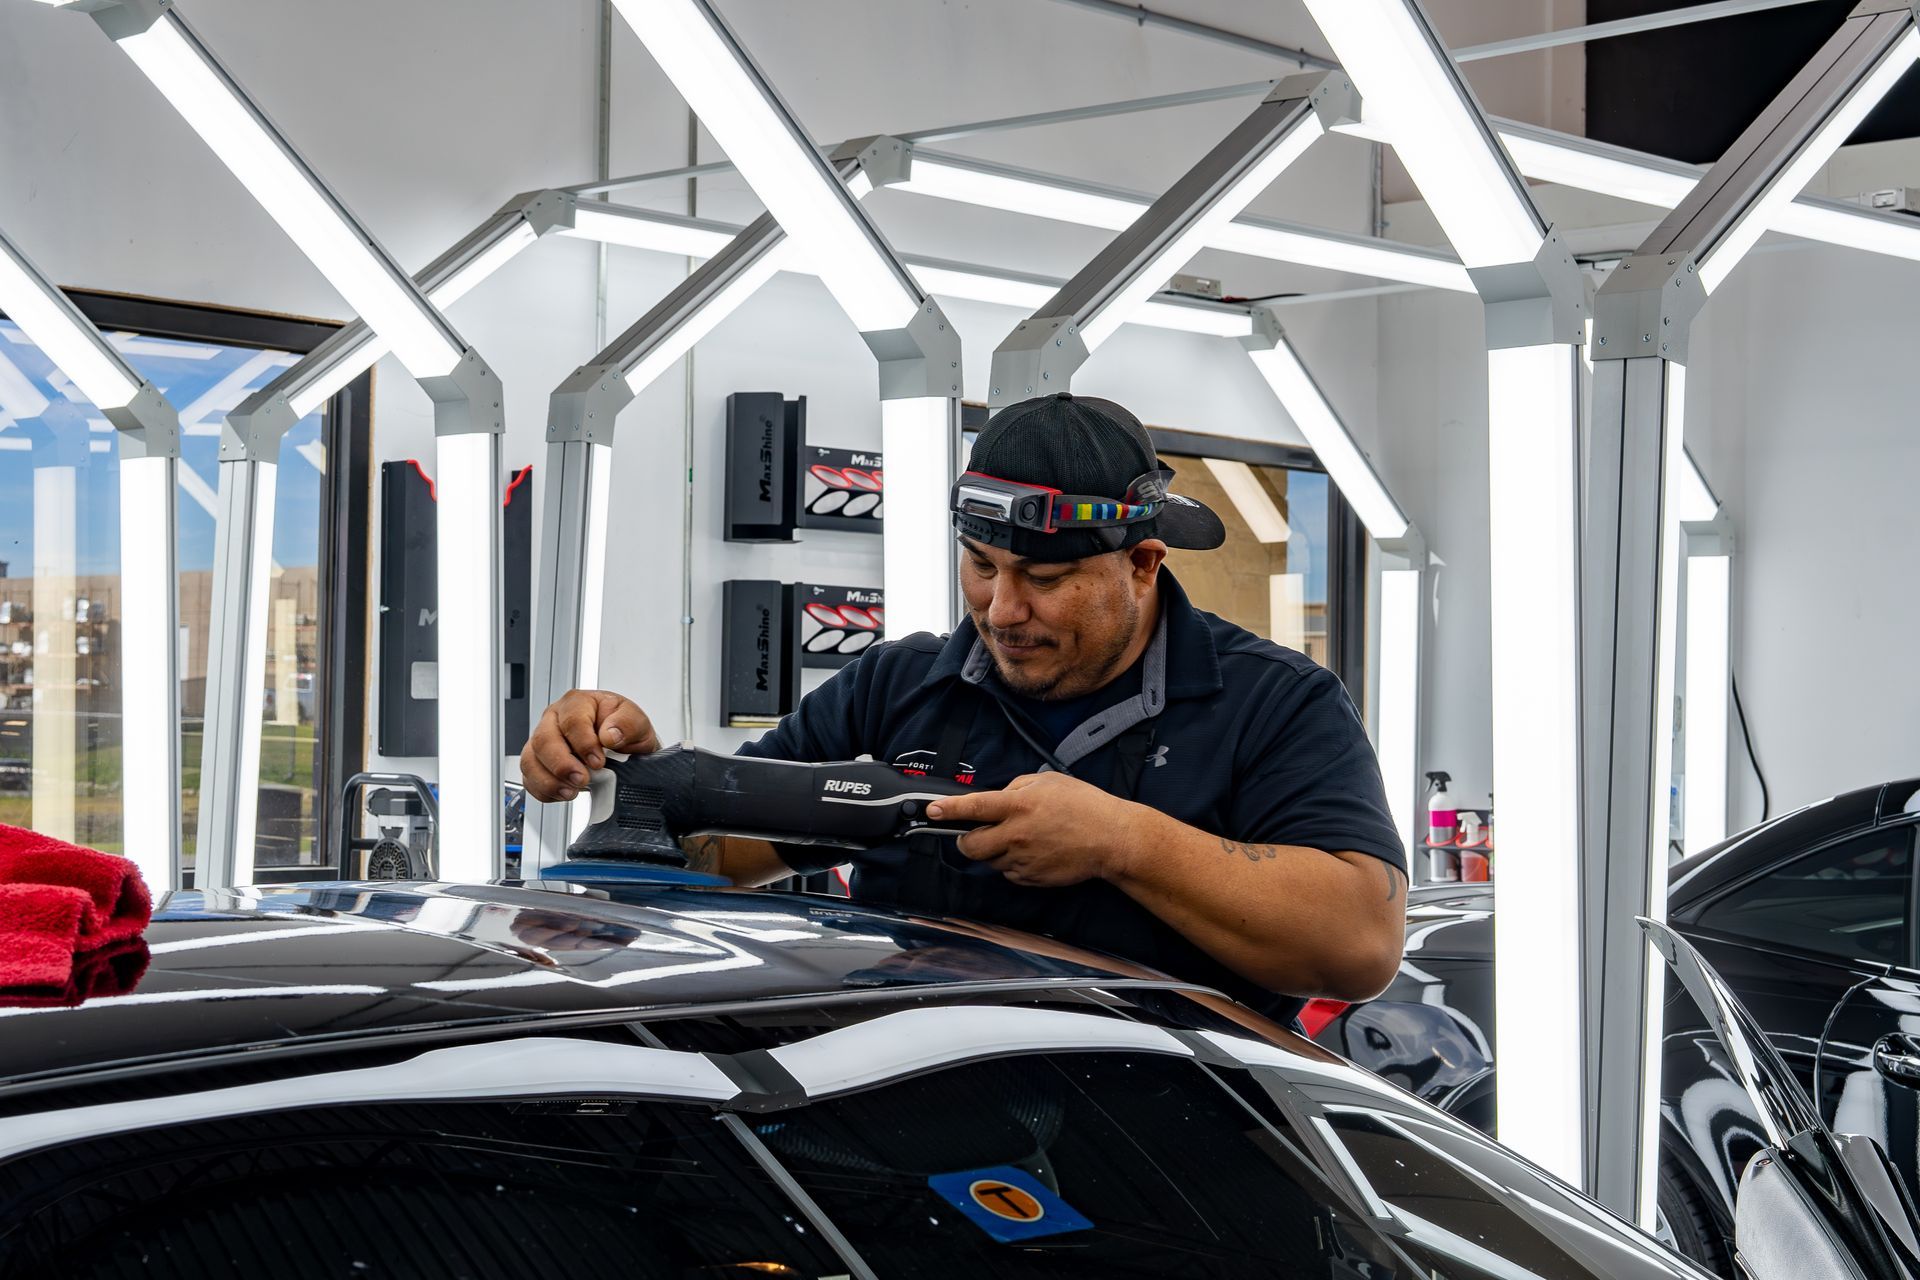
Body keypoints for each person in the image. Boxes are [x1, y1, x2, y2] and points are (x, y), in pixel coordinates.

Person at [522, 393, 1407, 1023]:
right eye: (982, 565)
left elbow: (1358, 945)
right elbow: (717, 856)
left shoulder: (1275, 704)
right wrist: (641, 778)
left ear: (1143, 564)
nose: (1002, 610)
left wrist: (1123, 843)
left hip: (1178, 1152)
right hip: (912, 1124)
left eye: (1047, 580)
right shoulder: (895, 688)